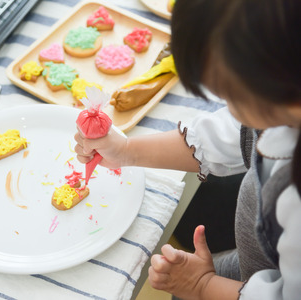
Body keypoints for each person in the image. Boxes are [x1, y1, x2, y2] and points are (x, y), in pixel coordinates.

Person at [73, 0, 301, 298]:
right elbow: (231, 134)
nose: (228, 109)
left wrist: (201, 285)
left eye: (230, 97)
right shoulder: (283, 102)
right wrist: (126, 150)